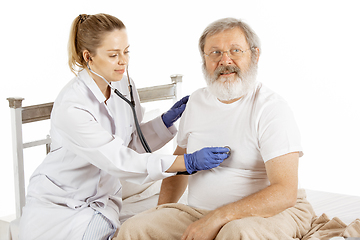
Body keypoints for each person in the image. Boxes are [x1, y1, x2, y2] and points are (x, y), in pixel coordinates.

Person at [18, 13, 230, 240]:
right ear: (88, 56)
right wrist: (188, 163)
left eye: (126, 51)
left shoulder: (124, 84)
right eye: (113, 55)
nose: (124, 61)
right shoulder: (72, 107)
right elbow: (119, 161)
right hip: (61, 207)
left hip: (104, 200)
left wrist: (164, 122)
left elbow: (129, 143)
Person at [115, 18, 316, 240]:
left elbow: (285, 192)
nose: (225, 60)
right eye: (215, 53)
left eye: (235, 50)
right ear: (204, 60)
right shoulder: (197, 102)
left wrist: (219, 218)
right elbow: (178, 170)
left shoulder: (271, 108)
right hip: (200, 213)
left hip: (270, 214)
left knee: (236, 233)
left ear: (255, 55)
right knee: (135, 229)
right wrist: (161, 212)